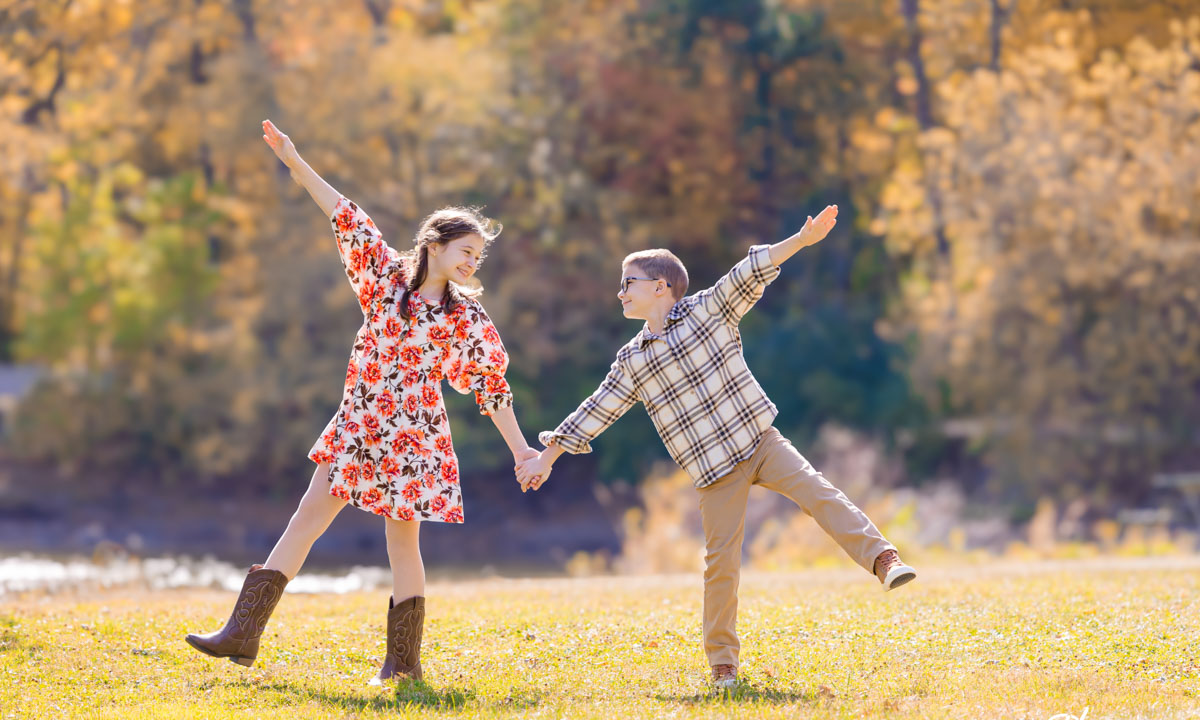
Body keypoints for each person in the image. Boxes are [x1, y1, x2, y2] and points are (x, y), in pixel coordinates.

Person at [186, 120, 538, 684]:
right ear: (436, 245)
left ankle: (402, 665)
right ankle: (242, 634)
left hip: (415, 436)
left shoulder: (464, 317)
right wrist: (296, 163)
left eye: (479, 256)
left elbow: (491, 386)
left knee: (402, 540)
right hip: (359, 425)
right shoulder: (384, 279)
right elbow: (345, 215)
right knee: (306, 517)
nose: (473, 263)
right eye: (465, 251)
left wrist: (522, 451)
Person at [515, 205, 916, 690]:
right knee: (720, 566)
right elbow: (596, 409)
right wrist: (547, 456)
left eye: (629, 282)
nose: (620, 292)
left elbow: (748, 272)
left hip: (760, 441)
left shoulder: (708, 309)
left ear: (660, 286)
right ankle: (723, 664)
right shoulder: (633, 359)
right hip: (714, 473)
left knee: (818, 492)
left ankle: (884, 560)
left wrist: (801, 240)